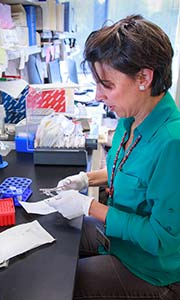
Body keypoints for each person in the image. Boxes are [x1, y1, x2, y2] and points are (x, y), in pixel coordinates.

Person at [50, 15, 180, 299]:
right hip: (122, 241)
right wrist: (85, 179)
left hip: (152, 269)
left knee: (67, 283)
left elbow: (162, 239)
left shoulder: (173, 144)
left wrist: (90, 206)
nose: (98, 95)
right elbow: (131, 172)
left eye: (106, 85)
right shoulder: (129, 117)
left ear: (144, 78)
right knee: (58, 232)